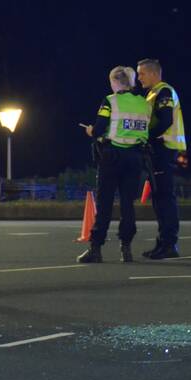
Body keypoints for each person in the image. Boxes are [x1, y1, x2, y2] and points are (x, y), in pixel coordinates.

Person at [77, 66, 151, 264]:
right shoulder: (143, 103)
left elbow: (99, 128)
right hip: (135, 158)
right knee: (128, 204)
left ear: (116, 82)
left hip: (112, 157)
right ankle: (126, 248)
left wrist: (92, 131)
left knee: (105, 204)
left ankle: (96, 248)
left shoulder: (110, 100)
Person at [136, 58, 186, 259]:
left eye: (142, 74)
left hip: (164, 147)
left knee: (164, 198)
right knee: (159, 198)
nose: (139, 78)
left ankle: (169, 244)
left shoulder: (163, 92)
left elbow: (165, 120)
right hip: (159, 149)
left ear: (154, 73)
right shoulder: (153, 94)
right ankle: (163, 243)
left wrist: (146, 136)